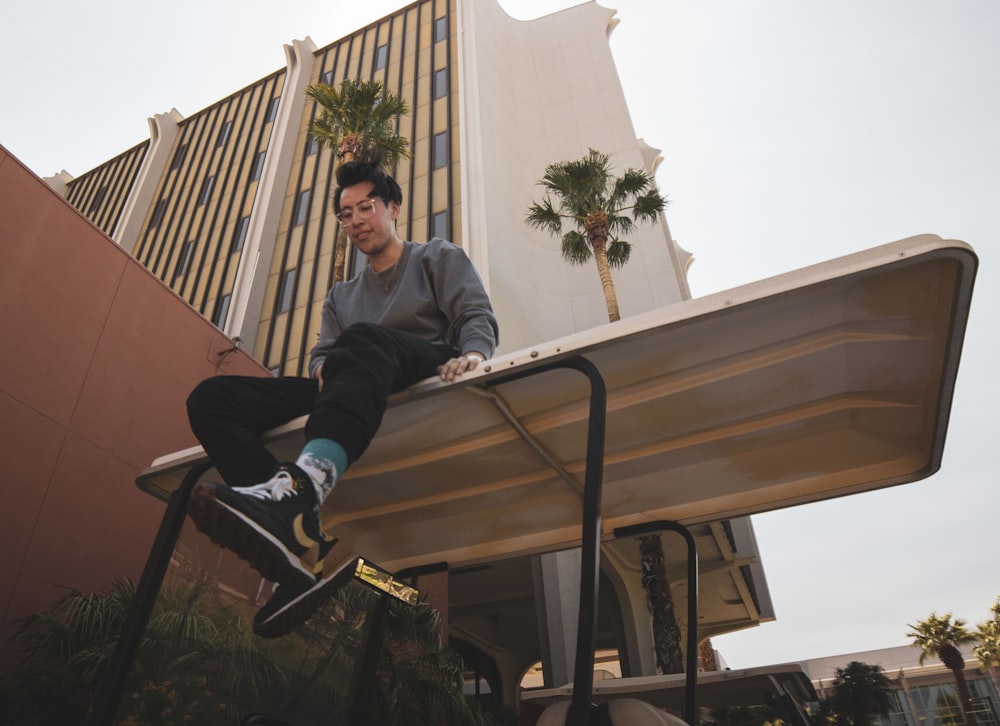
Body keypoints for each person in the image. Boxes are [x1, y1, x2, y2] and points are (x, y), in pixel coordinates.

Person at [186, 161, 498, 637]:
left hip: (420, 365)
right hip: (353, 379)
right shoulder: (341, 295)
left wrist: (474, 356)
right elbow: (322, 356)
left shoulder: (435, 256)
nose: (355, 221)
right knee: (212, 398)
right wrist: (321, 370)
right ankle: (297, 533)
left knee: (366, 340)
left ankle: (306, 487)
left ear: (393, 208)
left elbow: (475, 313)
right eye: (346, 214)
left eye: (366, 208)